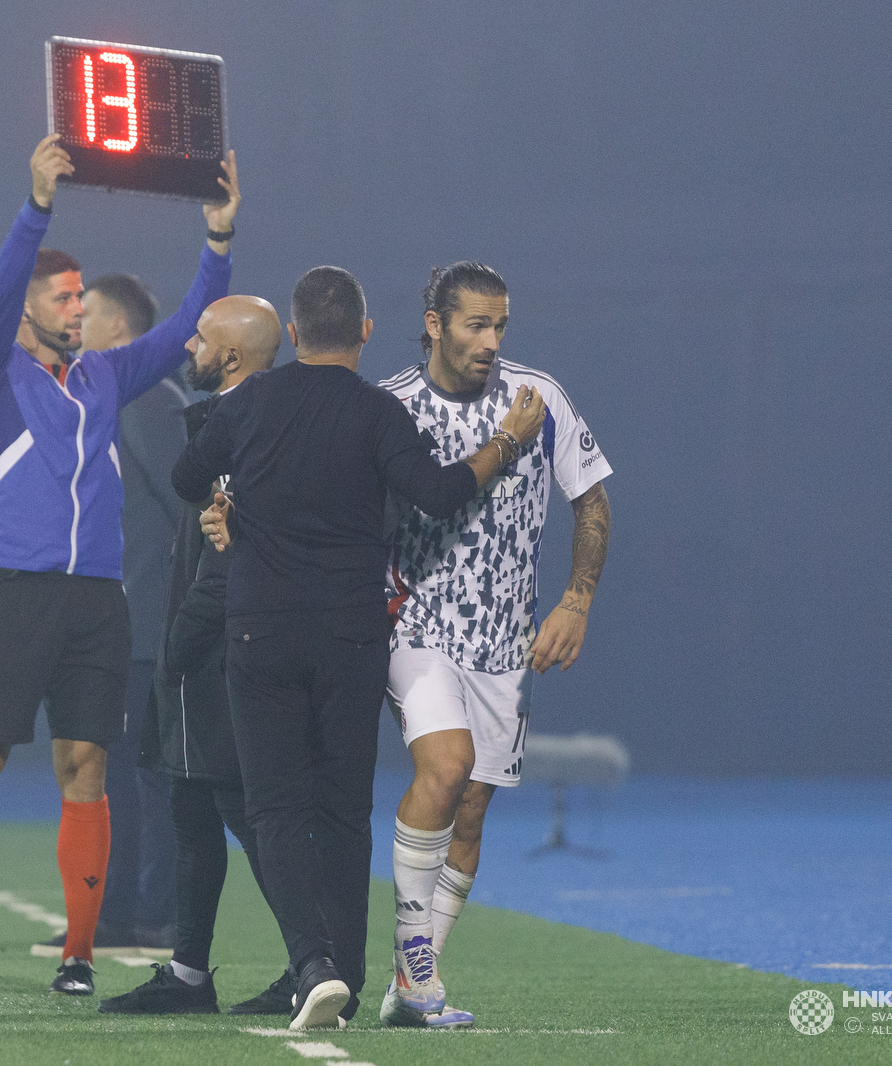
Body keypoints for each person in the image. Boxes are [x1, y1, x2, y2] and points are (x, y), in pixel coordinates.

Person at [0, 135, 241, 996]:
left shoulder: (102, 379)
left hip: (97, 603)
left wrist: (216, 244)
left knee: (86, 768)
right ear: (26, 312)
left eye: (79, 298)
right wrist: (37, 208)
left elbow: (179, 338)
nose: (76, 309)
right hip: (14, 596)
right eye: (61, 297)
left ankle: (80, 954)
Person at [171, 267, 544, 1030]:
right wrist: (506, 442)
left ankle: (312, 965)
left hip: (262, 631)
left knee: (275, 805)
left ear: (296, 335)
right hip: (350, 637)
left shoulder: (250, 403)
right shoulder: (378, 413)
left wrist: (226, 498)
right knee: (345, 809)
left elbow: (185, 476)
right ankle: (347, 966)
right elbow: (438, 494)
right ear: (366, 335)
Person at [376, 262, 613, 1028]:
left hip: (505, 640)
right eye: (475, 324)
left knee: (471, 811)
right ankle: (416, 975)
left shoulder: (539, 400)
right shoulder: (392, 406)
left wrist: (576, 600)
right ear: (435, 324)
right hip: (416, 626)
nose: (490, 340)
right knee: (443, 768)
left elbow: (592, 502)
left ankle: (416, 980)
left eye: (500, 324)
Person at [100, 295, 296, 1015]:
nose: (189, 351)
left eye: (203, 341)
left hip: (222, 643)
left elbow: (230, 545)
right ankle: (188, 974)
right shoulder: (218, 415)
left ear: (234, 356)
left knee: (246, 810)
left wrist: (181, 635)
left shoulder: (250, 422)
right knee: (191, 802)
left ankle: (316, 964)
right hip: (199, 635)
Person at [71, 272, 180, 949]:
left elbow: (187, 504)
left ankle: (155, 914)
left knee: (148, 779)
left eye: (84, 315)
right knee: (115, 773)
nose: (72, 326)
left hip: (147, 626)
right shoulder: (117, 398)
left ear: (118, 329)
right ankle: (114, 913)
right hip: (117, 621)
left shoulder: (145, 397)